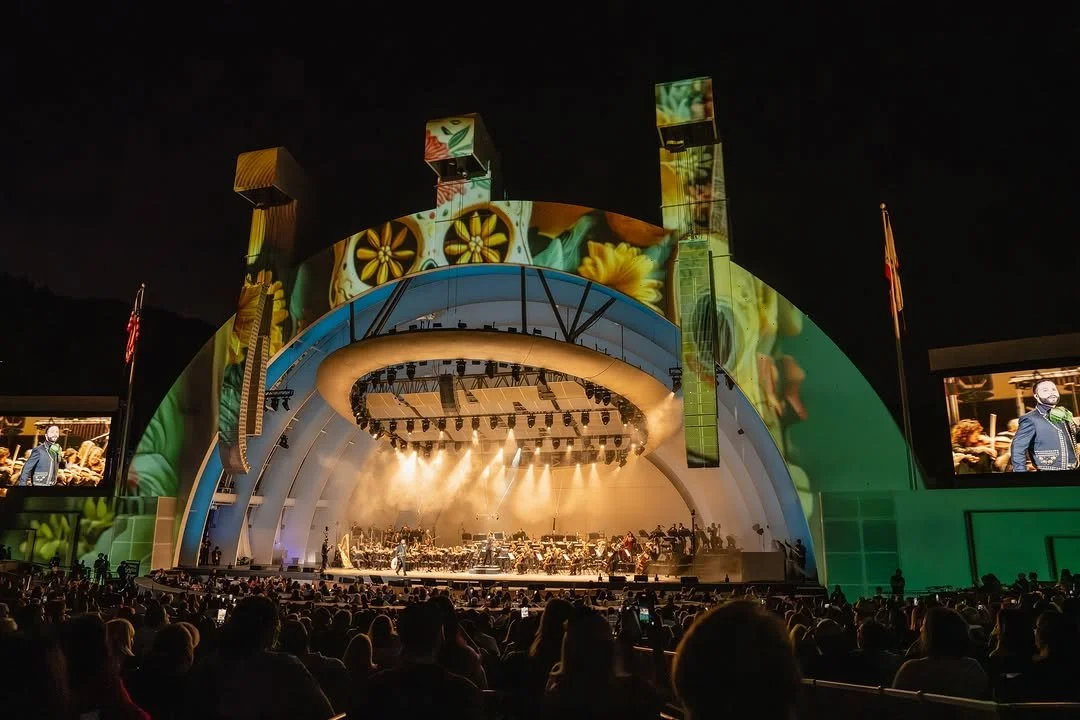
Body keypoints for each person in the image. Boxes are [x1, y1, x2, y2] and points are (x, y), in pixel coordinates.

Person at [1011, 379, 1079, 471]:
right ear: (1036, 396)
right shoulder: (1030, 419)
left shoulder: (1064, 415)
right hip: (1048, 473)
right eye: (1045, 390)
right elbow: (1018, 448)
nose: (1051, 393)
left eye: (1054, 389)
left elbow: (1075, 436)